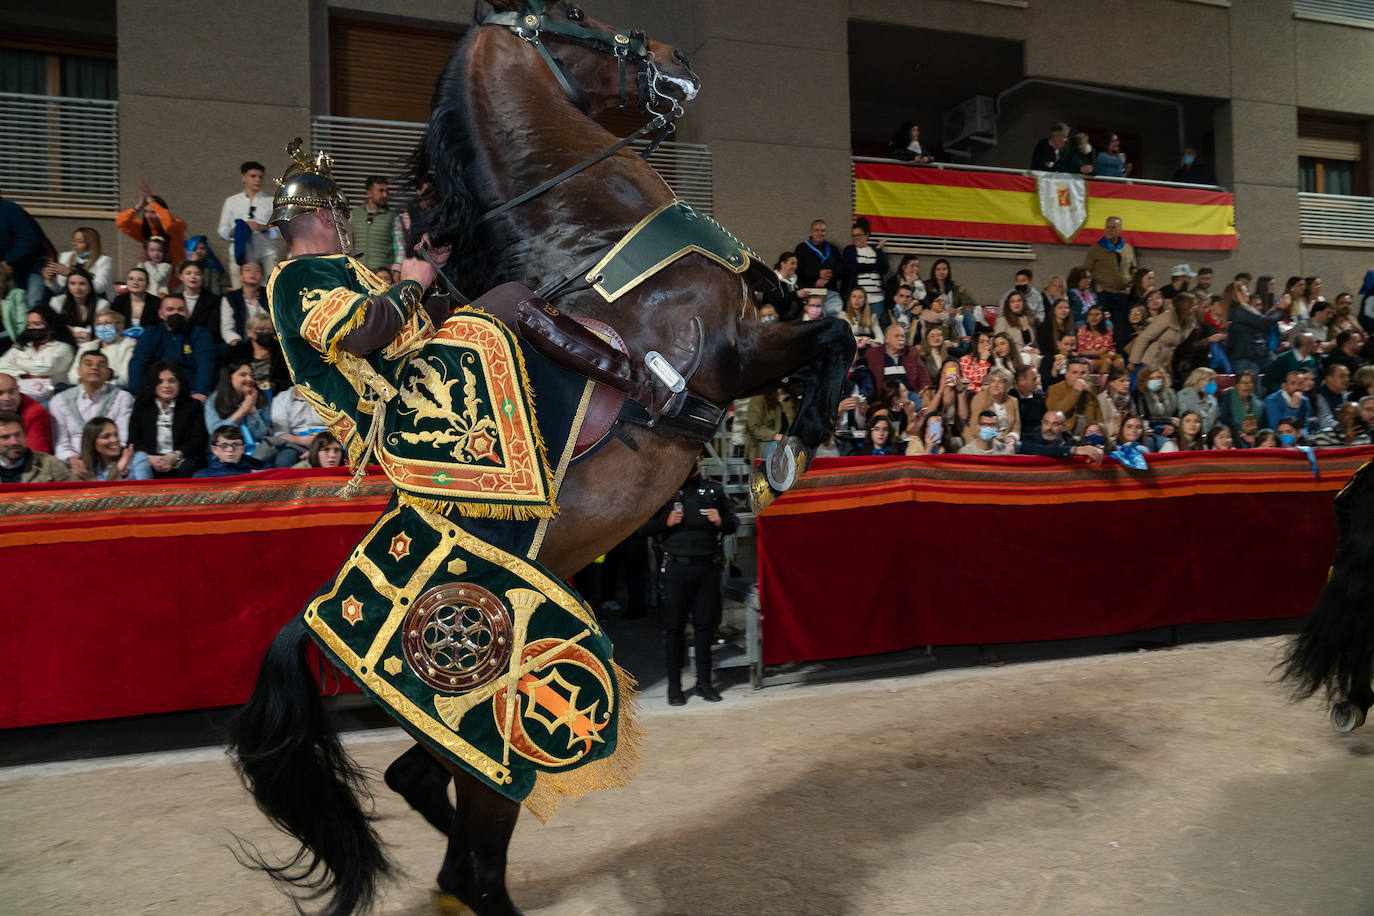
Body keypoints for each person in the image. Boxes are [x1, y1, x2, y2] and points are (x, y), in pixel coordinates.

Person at [643, 457, 738, 705]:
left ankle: (704, 683)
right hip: (676, 569)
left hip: (707, 569)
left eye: (694, 456)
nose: (689, 462)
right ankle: (674, 687)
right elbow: (642, 528)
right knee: (674, 629)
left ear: (700, 459)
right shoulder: (664, 491)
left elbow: (733, 523)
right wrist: (666, 522)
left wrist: (721, 522)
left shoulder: (714, 490)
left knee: (705, 628)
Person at [49, 350, 133, 465]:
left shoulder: (122, 398)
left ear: (108, 373)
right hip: (72, 464)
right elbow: (60, 443)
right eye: (88, 364)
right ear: (78, 371)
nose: (95, 368)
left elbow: (122, 438)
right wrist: (73, 460)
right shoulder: (60, 400)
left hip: (110, 461)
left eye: (101, 365)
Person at [126, 295, 216, 398]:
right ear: (161, 314)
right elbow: (138, 362)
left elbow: (205, 364)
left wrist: (201, 391)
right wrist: (136, 391)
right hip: (155, 389)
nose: (176, 313)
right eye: (170, 309)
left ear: (188, 313)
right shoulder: (150, 333)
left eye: (181, 310)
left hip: (190, 391)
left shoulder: (200, 333)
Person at [129, 362, 207, 478]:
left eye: (172, 381)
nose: (166, 386)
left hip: (180, 458)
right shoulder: (142, 405)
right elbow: (133, 440)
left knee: (189, 467)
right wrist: (150, 458)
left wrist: (175, 456)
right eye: (160, 381)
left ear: (180, 383)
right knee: (139, 465)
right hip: (150, 458)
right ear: (153, 384)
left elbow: (198, 440)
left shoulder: (193, 406)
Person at [219, 160, 281, 287]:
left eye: (260, 177)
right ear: (244, 178)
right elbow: (222, 230)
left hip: (266, 252)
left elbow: (281, 230)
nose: (257, 180)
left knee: (268, 291)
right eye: (253, 176)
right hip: (239, 252)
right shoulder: (232, 201)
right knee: (238, 290)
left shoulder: (271, 202)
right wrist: (238, 230)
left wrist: (264, 228)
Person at [205, 359, 279, 464]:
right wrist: (243, 410)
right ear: (229, 377)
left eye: (251, 375)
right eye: (243, 375)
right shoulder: (215, 399)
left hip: (257, 454)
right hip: (224, 455)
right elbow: (215, 431)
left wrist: (252, 412)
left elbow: (261, 435)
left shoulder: (260, 397)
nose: (249, 379)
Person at [0, 304, 75, 404]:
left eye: (36, 324)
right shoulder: (22, 345)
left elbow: (44, 368)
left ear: (50, 326)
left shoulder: (64, 348)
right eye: (29, 324)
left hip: (53, 397)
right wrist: (23, 375)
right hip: (21, 395)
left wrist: (18, 364)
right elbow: (2, 366)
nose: (31, 328)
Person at [115, 181, 187, 284]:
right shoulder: (144, 228)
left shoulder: (178, 224)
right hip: (152, 282)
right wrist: (139, 206)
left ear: (162, 211)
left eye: (153, 212)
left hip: (175, 281)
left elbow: (169, 226)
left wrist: (153, 204)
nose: (148, 216)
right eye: (146, 212)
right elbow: (121, 223)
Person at [1083, 216, 1138, 335]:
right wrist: (1094, 285)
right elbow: (1087, 271)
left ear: (1120, 230)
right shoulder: (1096, 249)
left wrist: (1130, 285)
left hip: (1122, 293)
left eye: (1113, 228)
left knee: (1120, 325)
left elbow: (1134, 269)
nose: (1109, 230)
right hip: (1104, 293)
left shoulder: (1128, 249)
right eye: (1107, 227)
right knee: (1104, 324)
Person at [0, 192, 54, 305]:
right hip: (13, 268)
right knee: (14, 303)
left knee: (33, 302)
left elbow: (30, 240)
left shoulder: (9, 209)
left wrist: (8, 261)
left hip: (37, 263)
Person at [1129, 292, 1195, 375]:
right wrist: (1133, 362)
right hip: (1148, 361)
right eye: (1192, 305)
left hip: (1164, 364)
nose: (1195, 307)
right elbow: (1144, 338)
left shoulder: (1189, 322)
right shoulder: (1166, 317)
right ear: (1184, 306)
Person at [0, 410, 72, 484]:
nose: (14, 441)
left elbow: (75, 492)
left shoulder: (51, 464)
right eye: (5, 437)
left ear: (24, 434)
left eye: (17, 435)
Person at [69, 310, 135, 388]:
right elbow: (72, 376)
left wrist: (97, 384)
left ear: (120, 327)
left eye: (107, 323)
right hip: (84, 389)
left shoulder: (128, 346)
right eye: (98, 324)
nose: (102, 327)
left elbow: (124, 378)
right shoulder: (87, 347)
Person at [228, 312, 292, 393]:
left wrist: (275, 385)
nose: (265, 333)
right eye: (261, 330)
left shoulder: (281, 351)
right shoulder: (238, 351)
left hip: (275, 394)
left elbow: (289, 381)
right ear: (249, 332)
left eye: (269, 330)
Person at [74, 415, 151, 481]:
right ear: (92, 443)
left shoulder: (138, 458)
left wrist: (118, 469)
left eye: (116, 435)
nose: (114, 440)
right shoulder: (90, 465)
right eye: (106, 437)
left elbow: (144, 492)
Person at [43, 227, 113, 300]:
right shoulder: (65, 256)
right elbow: (59, 289)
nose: (74, 244)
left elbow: (99, 288)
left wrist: (70, 273)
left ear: (91, 244)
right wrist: (50, 279)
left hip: (94, 300)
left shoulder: (103, 260)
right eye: (74, 241)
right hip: (70, 301)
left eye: (79, 241)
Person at [353, 176, 404, 275]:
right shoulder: (354, 215)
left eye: (386, 191)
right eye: (380, 191)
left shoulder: (392, 217)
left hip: (383, 275)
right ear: (369, 193)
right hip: (358, 273)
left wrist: (397, 271)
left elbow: (400, 247)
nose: (385, 195)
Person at [1228, 292, 1285, 377]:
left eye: (1261, 305)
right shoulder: (1242, 316)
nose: (1260, 307)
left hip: (1260, 357)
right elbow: (1265, 323)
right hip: (1245, 360)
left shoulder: (1257, 319)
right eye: (1257, 305)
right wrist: (1280, 309)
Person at [793, 220, 843, 316]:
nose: (820, 233)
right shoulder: (802, 248)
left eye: (823, 230)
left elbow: (841, 270)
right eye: (816, 230)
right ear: (811, 232)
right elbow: (797, 271)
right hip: (809, 292)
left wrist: (827, 280)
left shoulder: (833, 249)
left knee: (834, 316)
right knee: (812, 320)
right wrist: (817, 274)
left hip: (831, 292)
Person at [270, 384, 327, 466]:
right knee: (284, 458)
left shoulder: (330, 396)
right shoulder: (282, 398)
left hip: (327, 443)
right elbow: (279, 434)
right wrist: (300, 440)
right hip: (297, 445)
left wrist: (316, 448)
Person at [1046, 357, 1103, 436]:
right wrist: (1076, 392)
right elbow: (1055, 413)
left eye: (1083, 373)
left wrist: (1100, 433)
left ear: (1088, 375)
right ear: (1066, 375)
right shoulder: (1055, 389)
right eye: (1075, 372)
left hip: (1088, 436)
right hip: (1065, 436)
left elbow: (1098, 418)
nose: (1079, 376)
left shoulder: (1089, 390)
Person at [1018, 409, 1104, 461]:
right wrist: (1072, 450)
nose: (1049, 427)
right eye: (1046, 423)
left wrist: (1094, 450)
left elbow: (1081, 447)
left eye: (1055, 424)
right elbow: (1040, 451)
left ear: (1064, 427)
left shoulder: (1068, 439)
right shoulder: (1030, 438)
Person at [50, 266, 106, 344]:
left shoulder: (102, 304)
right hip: (65, 341)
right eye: (72, 283)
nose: (77, 288)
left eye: (82, 283)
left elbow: (100, 330)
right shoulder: (57, 302)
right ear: (67, 286)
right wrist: (75, 332)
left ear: (90, 287)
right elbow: (54, 327)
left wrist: (71, 329)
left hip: (91, 342)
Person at [842, 218, 888, 314]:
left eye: (858, 235)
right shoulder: (850, 250)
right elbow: (853, 268)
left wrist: (879, 250)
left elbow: (884, 268)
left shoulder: (875, 250)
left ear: (867, 235)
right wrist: (875, 266)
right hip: (857, 300)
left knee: (875, 327)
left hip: (877, 298)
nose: (855, 238)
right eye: (853, 236)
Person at [221, 260, 271, 347]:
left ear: (263, 277)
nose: (252, 273)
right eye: (247, 270)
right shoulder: (231, 298)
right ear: (241, 277)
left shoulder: (270, 295)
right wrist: (238, 344)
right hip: (241, 344)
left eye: (257, 270)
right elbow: (227, 329)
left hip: (270, 343)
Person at [965, 366, 1020, 444]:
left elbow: (1016, 427)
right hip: (982, 440)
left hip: (1006, 441)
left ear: (1007, 385)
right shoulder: (979, 399)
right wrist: (993, 442)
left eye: (1001, 382)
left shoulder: (1013, 401)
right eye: (993, 381)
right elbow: (975, 427)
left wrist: (1012, 437)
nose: (995, 385)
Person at [0, 370, 51, 453]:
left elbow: (36, 455)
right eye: (0, 393)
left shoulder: (35, 413)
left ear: (18, 390)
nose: (7, 398)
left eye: (12, 391)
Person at [194, 424, 268, 478]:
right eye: (224, 446)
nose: (230, 450)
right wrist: (251, 473)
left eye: (235, 445)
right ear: (214, 450)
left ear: (243, 448)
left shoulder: (259, 467)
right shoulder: (203, 476)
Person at [744, 386, 796, 462]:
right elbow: (755, 427)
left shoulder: (790, 398)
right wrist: (775, 436)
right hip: (765, 443)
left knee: (813, 448)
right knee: (777, 447)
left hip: (789, 441)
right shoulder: (758, 399)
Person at [1177, 367, 1220, 433]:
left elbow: (1216, 421)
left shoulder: (1213, 399)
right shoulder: (1183, 396)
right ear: (1197, 380)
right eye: (1210, 380)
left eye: (1214, 380)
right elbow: (1185, 421)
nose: (1213, 383)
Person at [1312, 362, 1352, 432]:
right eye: (1342, 376)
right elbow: (1325, 423)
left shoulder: (1347, 395)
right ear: (1329, 378)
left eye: (1347, 376)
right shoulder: (1320, 396)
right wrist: (1346, 426)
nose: (1347, 379)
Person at [763, 252, 802, 321]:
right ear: (783, 264)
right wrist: (796, 294)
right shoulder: (772, 282)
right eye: (792, 263)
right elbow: (775, 301)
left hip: (795, 319)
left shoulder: (795, 280)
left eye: (796, 264)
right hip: (777, 319)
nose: (795, 266)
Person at [1097, 368, 1133, 441]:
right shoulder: (1103, 398)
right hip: (1109, 437)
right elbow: (1102, 428)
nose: (1126, 384)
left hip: (1128, 434)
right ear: (1111, 383)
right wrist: (1120, 422)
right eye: (1122, 381)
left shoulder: (1128, 398)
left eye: (1128, 380)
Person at [1077, 305, 1115, 373]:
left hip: (1107, 356)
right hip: (1087, 358)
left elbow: (1107, 349)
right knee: (1106, 362)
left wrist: (1101, 353)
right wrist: (1097, 353)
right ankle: (1103, 383)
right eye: (1090, 315)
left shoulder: (1108, 331)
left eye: (1097, 314)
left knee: (1120, 361)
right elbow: (1081, 351)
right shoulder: (1082, 330)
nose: (1093, 318)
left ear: (1102, 317)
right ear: (1087, 318)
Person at [1012, 365, 1046, 431]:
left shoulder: (1040, 398)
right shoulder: (1010, 398)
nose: (1037, 383)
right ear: (1021, 381)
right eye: (1034, 379)